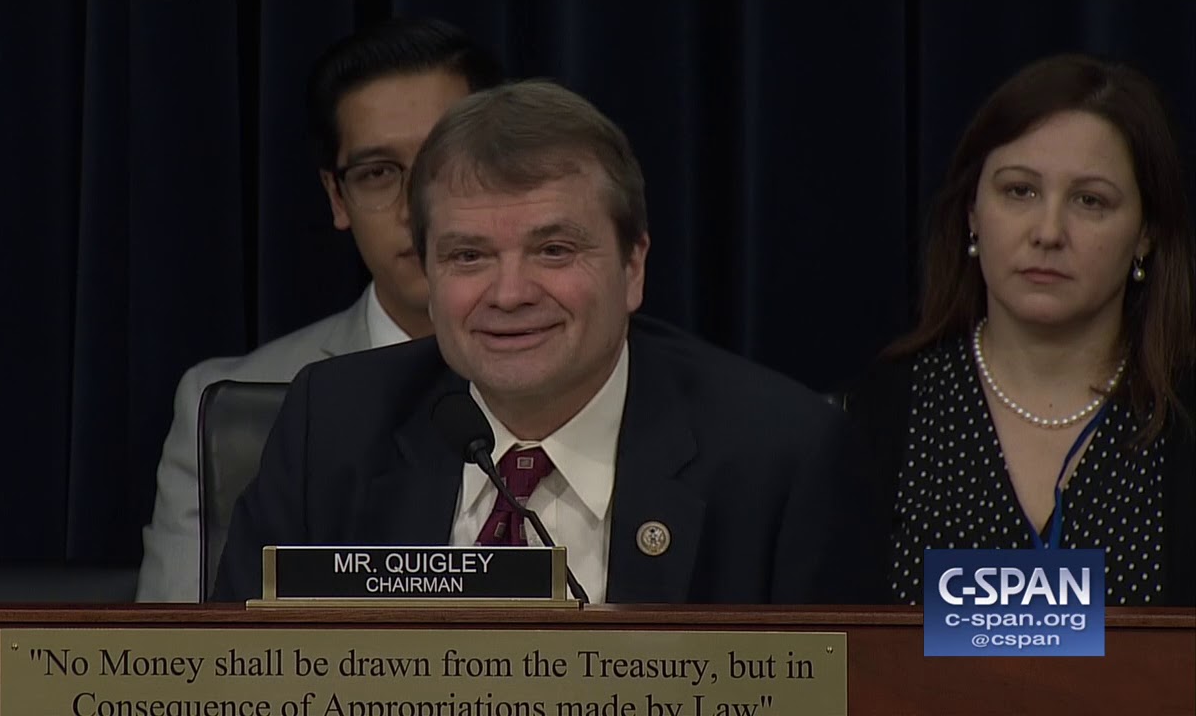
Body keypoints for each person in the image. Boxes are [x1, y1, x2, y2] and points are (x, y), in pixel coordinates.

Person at [213, 81, 884, 605]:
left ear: (633, 267)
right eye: (469, 256)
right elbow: (239, 671)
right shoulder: (332, 425)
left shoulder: (782, 459)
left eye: (554, 250)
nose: (509, 294)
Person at [136, 19, 503, 602]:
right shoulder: (236, 403)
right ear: (338, 197)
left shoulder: (593, 377)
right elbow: (182, 648)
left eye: (444, 162)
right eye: (378, 173)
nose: (416, 209)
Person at [843, 54, 1196, 606]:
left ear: (1146, 234)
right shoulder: (884, 412)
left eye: (1090, 201)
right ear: (973, 214)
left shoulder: (1182, 415)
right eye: (1019, 192)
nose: (1048, 232)